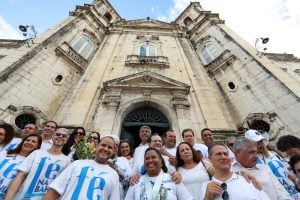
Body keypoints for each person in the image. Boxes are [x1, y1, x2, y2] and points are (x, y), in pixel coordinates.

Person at [44, 136, 120, 200]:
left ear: (113, 151)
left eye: (110, 147)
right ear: (97, 147)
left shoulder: (114, 175)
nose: (106, 149)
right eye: (103, 145)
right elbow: (55, 190)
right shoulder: (77, 164)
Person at [5, 128, 71, 200]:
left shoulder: (67, 161)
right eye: (58, 134)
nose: (60, 136)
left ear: (67, 140)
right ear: (52, 137)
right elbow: (20, 176)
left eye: (64, 136)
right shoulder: (37, 153)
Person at [200, 143, 270, 200]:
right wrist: (207, 198)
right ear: (210, 159)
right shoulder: (206, 186)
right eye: (219, 154)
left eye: (225, 154)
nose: (223, 157)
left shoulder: (247, 180)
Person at [245, 129, 300, 198]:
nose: (260, 144)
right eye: (256, 142)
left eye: (261, 141)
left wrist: (295, 180)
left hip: (295, 192)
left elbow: (287, 171)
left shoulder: (272, 154)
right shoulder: (250, 162)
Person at [125, 147, 193, 200]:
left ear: (161, 160)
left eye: (153, 157)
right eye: (147, 158)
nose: (150, 160)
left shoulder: (173, 179)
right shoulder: (136, 182)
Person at [0, 134, 42, 199]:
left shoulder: (32, 164)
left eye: (33, 142)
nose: (29, 142)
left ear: (37, 146)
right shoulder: (7, 153)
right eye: (27, 140)